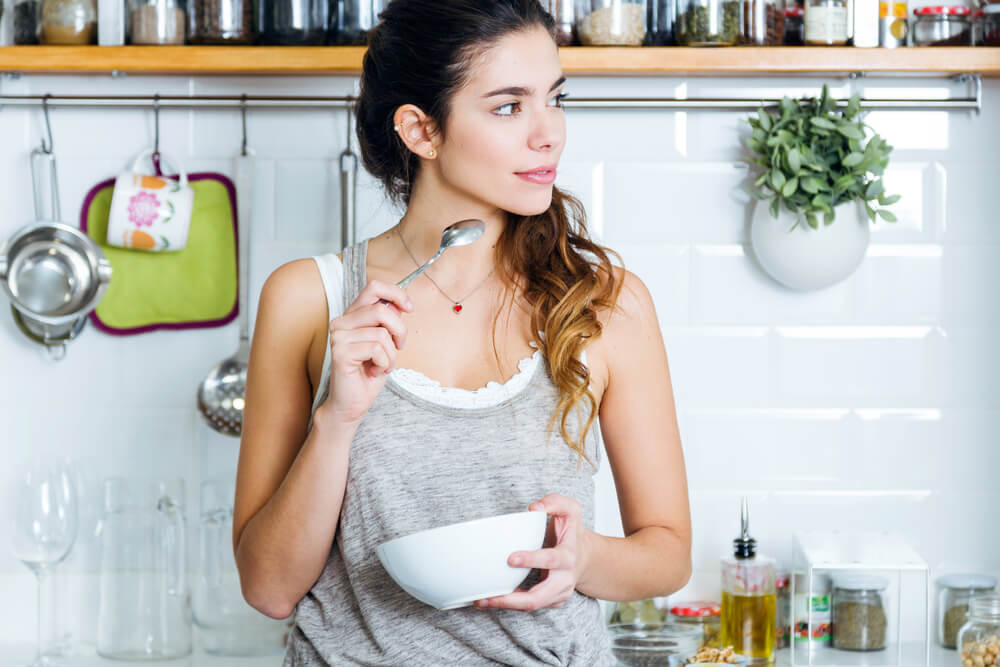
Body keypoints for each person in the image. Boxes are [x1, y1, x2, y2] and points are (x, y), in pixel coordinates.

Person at [232, 0, 692, 664]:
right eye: (509, 106)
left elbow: (668, 548)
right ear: (422, 130)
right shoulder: (310, 299)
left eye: (555, 99)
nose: (549, 134)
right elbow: (269, 587)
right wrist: (337, 419)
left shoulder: (606, 304)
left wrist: (583, 556)